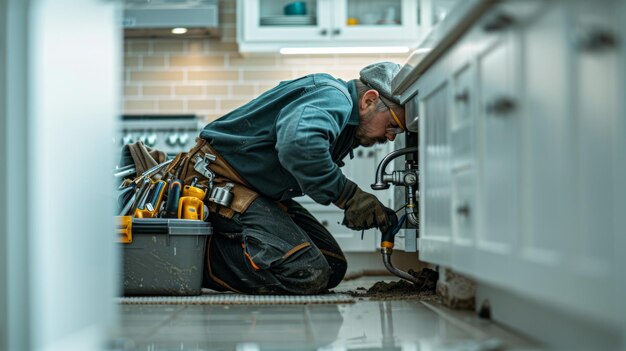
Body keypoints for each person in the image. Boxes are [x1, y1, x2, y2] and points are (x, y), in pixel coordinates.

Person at [185, 61, 406, 295]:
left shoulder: (338, 107)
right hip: (217, 181)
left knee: (333, 266)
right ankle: (193, 259)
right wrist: (348, 196)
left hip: (258, 190)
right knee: (307, 272)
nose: (391, 137)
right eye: (393, 125)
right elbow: (299, 146)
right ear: (369, 100)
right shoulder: (333, 97)